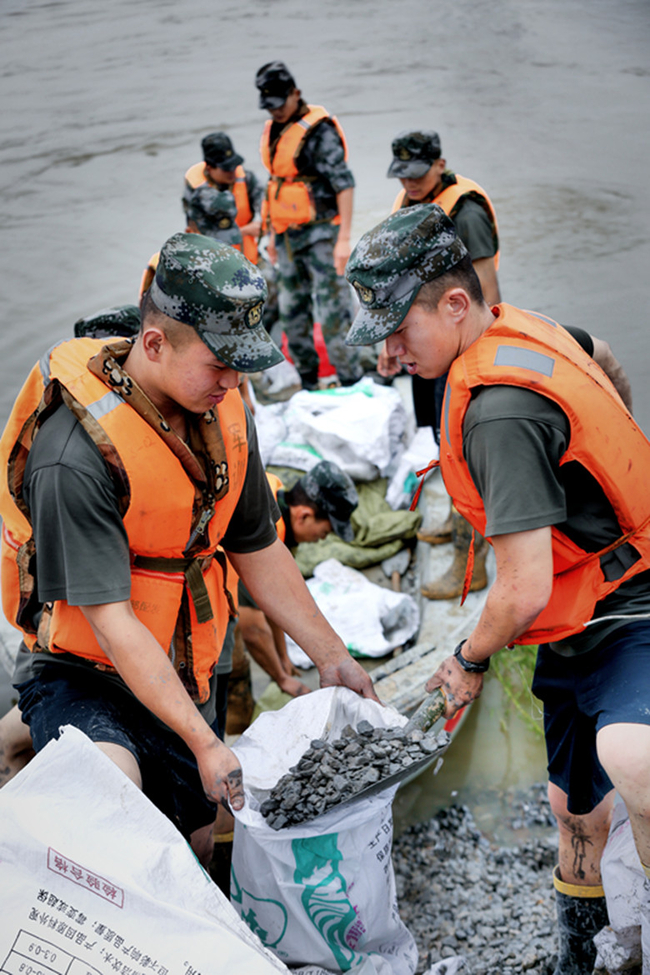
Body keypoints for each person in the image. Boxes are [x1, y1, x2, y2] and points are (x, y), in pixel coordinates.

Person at [0, 232, 376, 869]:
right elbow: (113, 623)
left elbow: (256, 544)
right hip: (87, 671)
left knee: (198, 842)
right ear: (153, 343)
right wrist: (205, 743)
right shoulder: (75, 456)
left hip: (187, 661)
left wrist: (332, 657)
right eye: (219, 364)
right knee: (112, 799)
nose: (232, 383)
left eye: (241, 364)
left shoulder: (222, 412)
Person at [344, 203, 647, 975]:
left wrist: (469, 660)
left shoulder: (499, 412)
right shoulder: (525, 328)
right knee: (570, 809)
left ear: (453, 304)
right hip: (576, 615)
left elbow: (522, 586)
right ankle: (580, 955)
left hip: (629, 602)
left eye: (396, 331)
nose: (385, 355)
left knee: (631, 754)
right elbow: (603, 354)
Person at [382, 130, 502, 601]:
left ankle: (469, 564)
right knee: (440, 440)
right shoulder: (410, 203)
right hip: (426, 342)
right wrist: (391, 339)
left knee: (464, 455)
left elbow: (487, 293)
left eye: (417, 174)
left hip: (458, 348)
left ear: (440, 164)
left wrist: (475, 362)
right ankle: (454, 522)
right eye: (402, 174)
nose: (409, 183)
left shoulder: (466, 214)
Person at [254, 60, 364, 390]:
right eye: (268, 105)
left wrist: (343, 239)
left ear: (296, 94)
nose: (274, 111)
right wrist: (270, 233)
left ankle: (351, 382)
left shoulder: (320, 132)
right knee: (291, 310)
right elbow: (277, 183)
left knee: (333, 312)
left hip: (322, 234)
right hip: (287, 236)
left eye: (279, 103)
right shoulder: (274, 128)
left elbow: (344, 184)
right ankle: (309, 382)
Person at [237, 460, 359, 702]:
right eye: (323, 532)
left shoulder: (272, 491)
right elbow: (251, 626)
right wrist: (282, 679)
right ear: (304, 515)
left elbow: (274, 599)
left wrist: (284, 657)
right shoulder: (263, 530)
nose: (320, 540)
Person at [183, 131, 263, 265]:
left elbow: (269, 216)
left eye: (234, 164)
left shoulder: (247, 180)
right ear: (210, 167)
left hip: (249, 259)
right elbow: (202, 236)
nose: (232, 171)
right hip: (214, 265)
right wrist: (244, 231)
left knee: (274, 280)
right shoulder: (196, 192)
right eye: (226, 168)